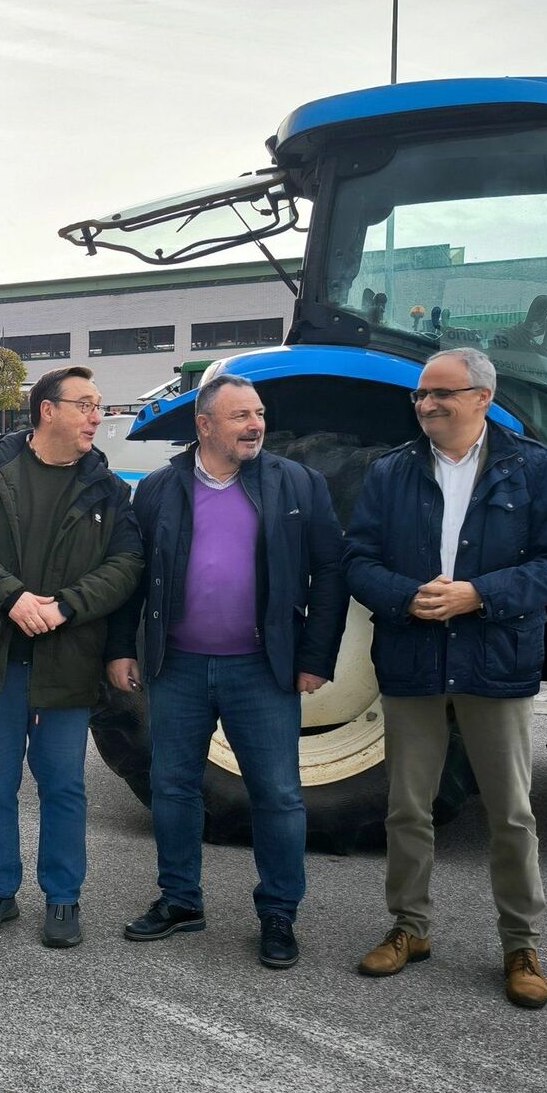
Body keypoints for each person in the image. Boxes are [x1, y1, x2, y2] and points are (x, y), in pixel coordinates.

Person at [343, 347, 547, 1009]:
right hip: (414, 657)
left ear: (481, 397)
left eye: (440, 393)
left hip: (494, 657)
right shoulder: (390, 471)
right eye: (420, 395)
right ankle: (410, 928)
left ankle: (520, 944)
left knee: (510, 813)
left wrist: (479, 593)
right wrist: (402, 594)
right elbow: (357, 558)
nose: (425, 404)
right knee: (407, 808)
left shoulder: (530, 467)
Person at [105, 373, 347, 969]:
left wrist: (316, 657)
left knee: (279, 794)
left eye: (258, 413)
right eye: (240, 415)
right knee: (173, 787)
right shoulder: (160, 489)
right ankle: (181, 900)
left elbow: (332, 572)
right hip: (180, 666)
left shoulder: (298, 483)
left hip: (262, 671)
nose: (255, 424)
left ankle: (278, 913)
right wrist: (119, 647)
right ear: (205, 425)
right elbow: (133, 577)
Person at [0, 367, 142, 945]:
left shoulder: (109, 489)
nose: (96, 417)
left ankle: (63, 898)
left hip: (66, 658)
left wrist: (67, 606)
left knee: (63, 786)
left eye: (98, 405)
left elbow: (126, 566)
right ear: (47, 410)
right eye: (85, 404)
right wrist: (12, 598)